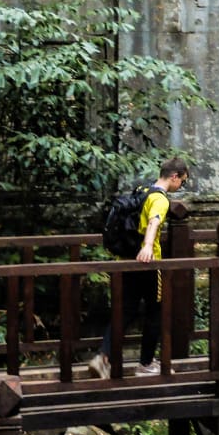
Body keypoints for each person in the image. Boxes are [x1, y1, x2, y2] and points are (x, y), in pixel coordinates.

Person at [89, 157, 189, 378]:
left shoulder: (142, 190)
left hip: (125, 260)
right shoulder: (160, 199)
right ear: (174, 177)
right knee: (156, 311)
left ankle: (103, 357)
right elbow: (153, 221)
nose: (181, 186)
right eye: (182, 181)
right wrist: (147, 247)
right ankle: (145, 364)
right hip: (148, 263)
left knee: (126, 309)